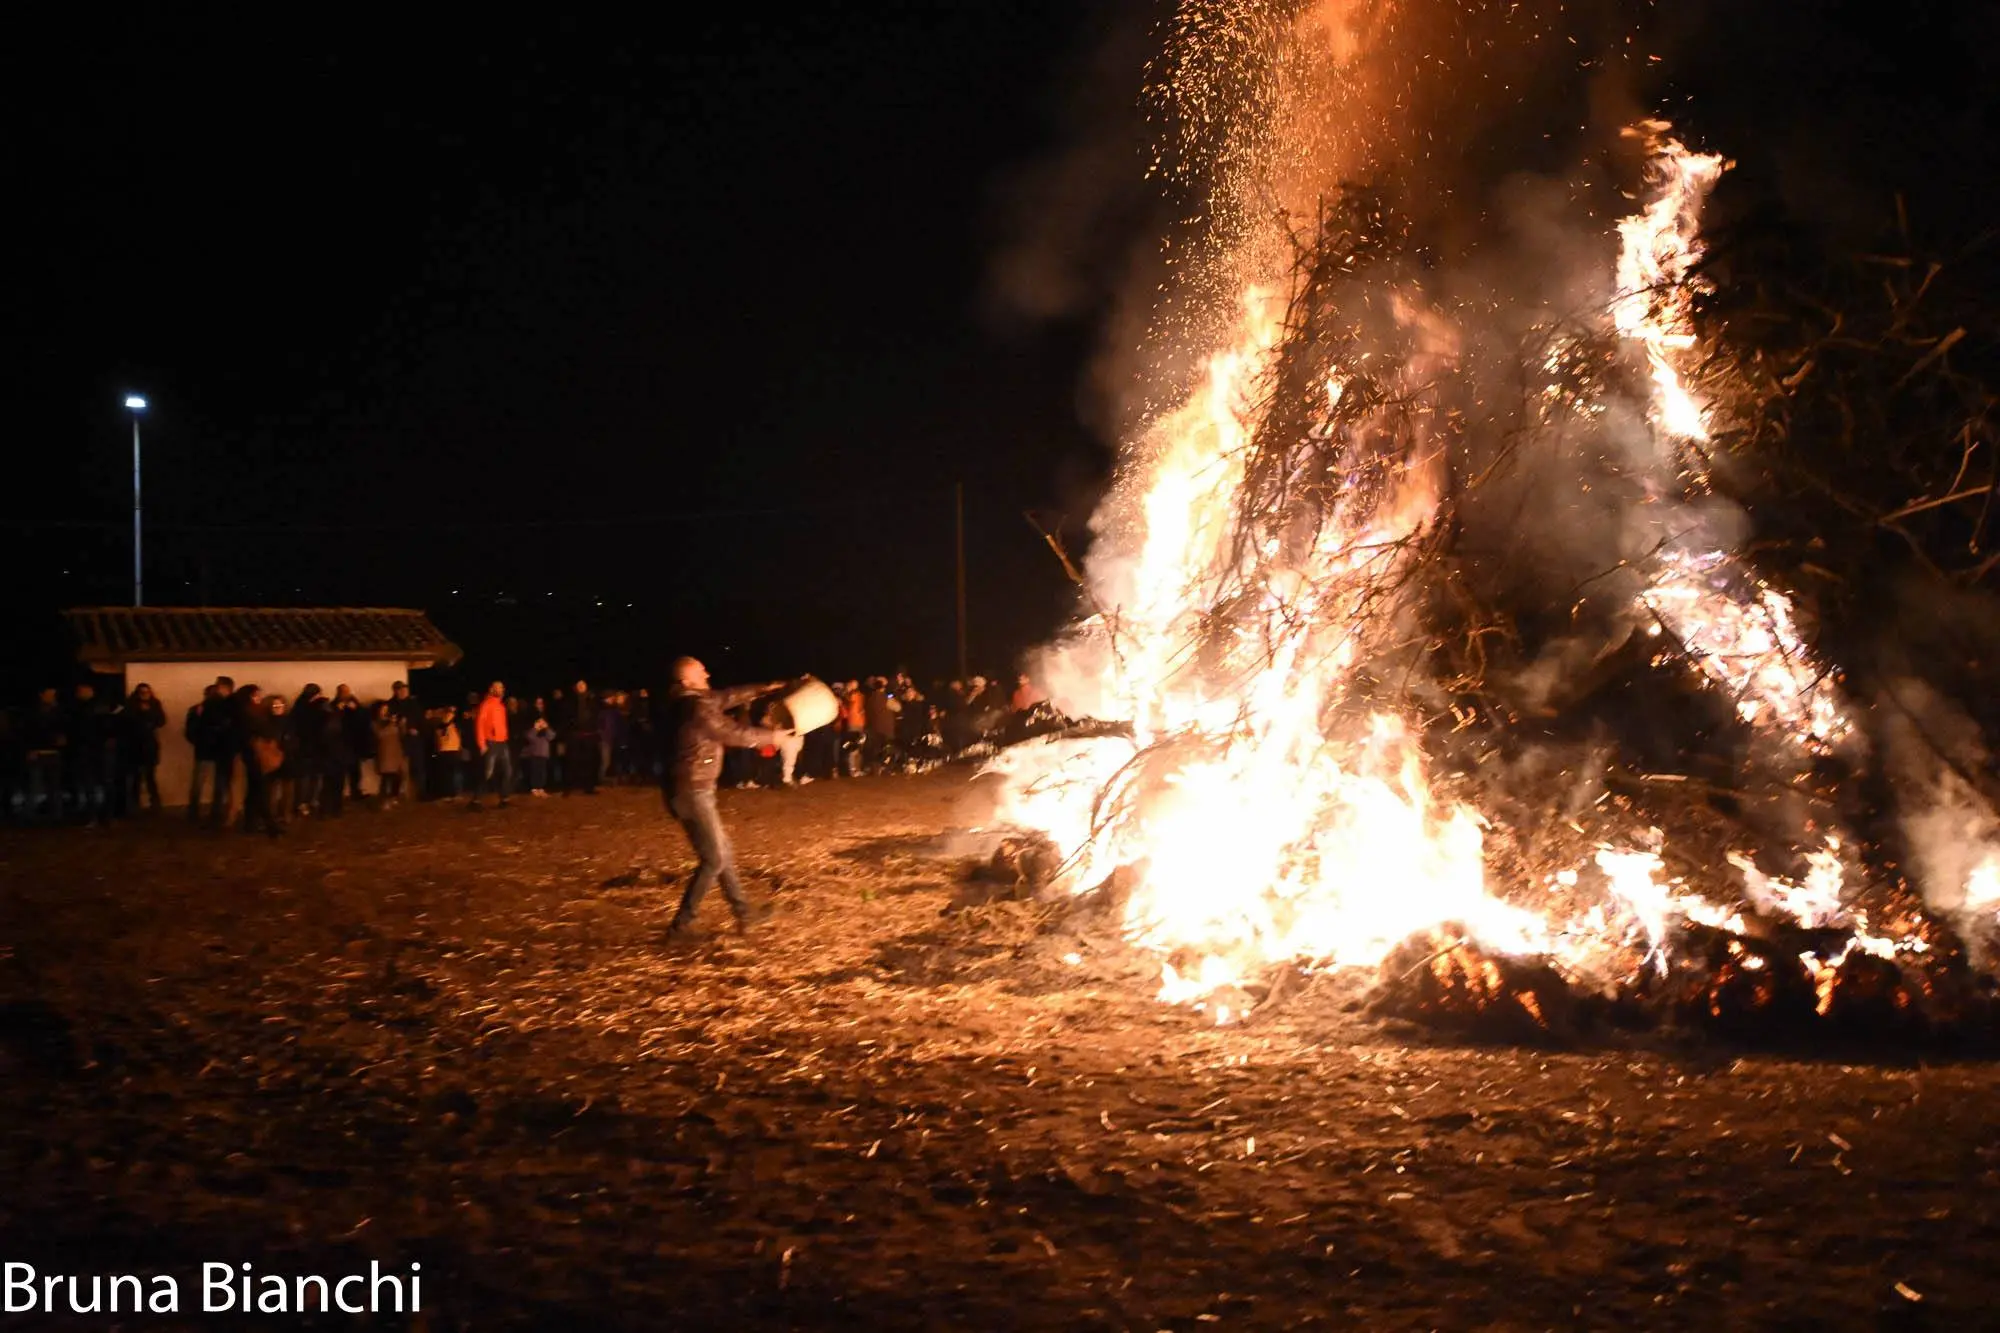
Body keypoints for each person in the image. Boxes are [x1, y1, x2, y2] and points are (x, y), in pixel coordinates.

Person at [662, 658, 788, 939]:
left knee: (722, 854)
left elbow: (730, 695)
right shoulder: (695, 709)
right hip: (691, 791)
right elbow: (731, 732)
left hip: (695, 789)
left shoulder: (696, 700)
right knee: (714, 858)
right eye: (700, 670)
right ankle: (681, 925)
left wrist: (765, 688)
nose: (707, 672)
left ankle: (744, 914)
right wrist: (771, 737)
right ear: (687, 681)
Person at [122, 683, 167, 813]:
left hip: (149, 745)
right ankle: (135, 804)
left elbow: (161, 721)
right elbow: (127, 721)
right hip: (134, 745)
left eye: (146, 692)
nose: (144, 695)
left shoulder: (154, 704)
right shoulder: (131, 706)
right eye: (142, 692)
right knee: (136, 777)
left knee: (150, 776)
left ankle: (154, 803)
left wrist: (149, 713)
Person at [472, 681, 511, 809]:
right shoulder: (486, 704)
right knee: (487, 772)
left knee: (507, 771)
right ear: (492, 689)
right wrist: (482, 744)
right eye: (498, 687)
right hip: (491, 742)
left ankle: (504, 799)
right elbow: (479, 724)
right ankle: (476, 800)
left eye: (502, 687)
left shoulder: (501, 706)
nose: (501, 689)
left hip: (502, 742)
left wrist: (505, 737)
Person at [372, 702, 406, 806]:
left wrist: (402, 725)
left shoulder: (392, 721)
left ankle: (393, 797)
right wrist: (391, 724)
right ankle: (384, 800)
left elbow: (402, 735)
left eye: (387, 709)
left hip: (396, 751)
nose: (385, 712)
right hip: (384, 752)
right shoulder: (376, 723)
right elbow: (380, 735)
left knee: (399, 775)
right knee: (387, 777)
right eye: (383, 709)